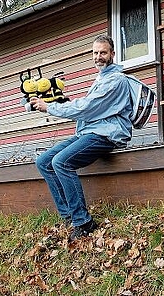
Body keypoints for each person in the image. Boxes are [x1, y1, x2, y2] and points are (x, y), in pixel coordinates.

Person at [31, 34, 133, 242]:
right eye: (95, 53)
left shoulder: (115, 80)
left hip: (107, 134)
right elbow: (87, 108)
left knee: (61, 162)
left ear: (112, 54)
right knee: (44, 161)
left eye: (103, 52)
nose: (98, 57)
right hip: (89, 132)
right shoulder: (102, 78)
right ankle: (68, 215)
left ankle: (83, 222)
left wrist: (50, 107)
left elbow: (86, 108)